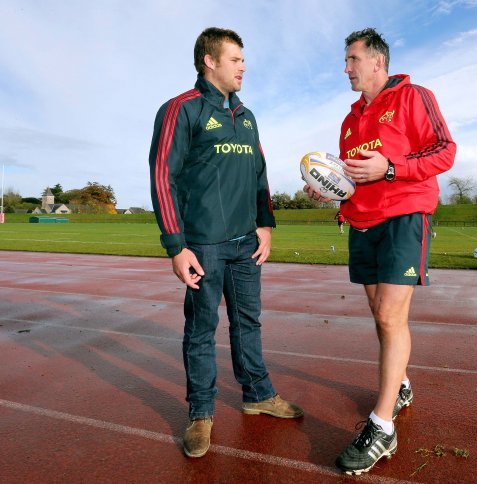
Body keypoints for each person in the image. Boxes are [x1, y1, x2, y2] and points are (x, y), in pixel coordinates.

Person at [305, 28, 456, 474]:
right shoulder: (350, 119)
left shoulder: (414, 96)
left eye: (352, 59)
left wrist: (391, 168)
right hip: (362, 221)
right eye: (346, 60)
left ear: (377, 62)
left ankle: (382, 426)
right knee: (379, 313)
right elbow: (351, 177)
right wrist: (330, 192)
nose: (346, 68)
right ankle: (401, 383)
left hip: (405, 214)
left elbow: (445, 151)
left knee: (391, 315)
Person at [149, 27, 303, 459]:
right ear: (209, 61)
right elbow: (163, 176)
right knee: (201, 331)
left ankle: (258, 395)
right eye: (235, 59)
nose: (243, 67)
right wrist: (176, 245)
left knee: (249, 323)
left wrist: (266, 224)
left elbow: (260, 175)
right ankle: (200, 414)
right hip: (203, 246)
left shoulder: (248, 116)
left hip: (245, 244)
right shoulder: (182, 109)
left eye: (243, 59)